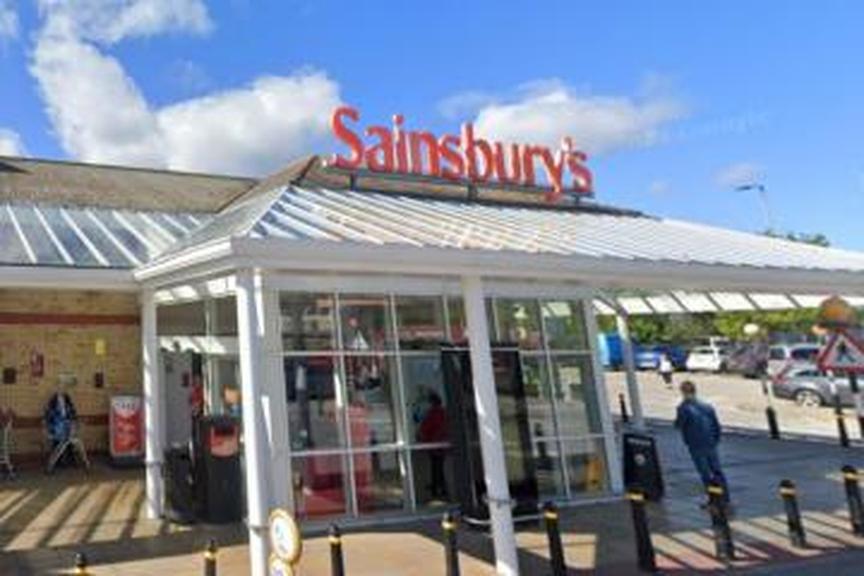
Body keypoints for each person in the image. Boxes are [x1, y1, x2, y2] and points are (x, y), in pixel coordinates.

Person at [674, 380, 730, 506]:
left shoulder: (684, 408)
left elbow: (679, 424)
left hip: (696, 444)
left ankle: (713, 498)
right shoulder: (707, 406)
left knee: (705, 473)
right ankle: (725, 496)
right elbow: (716, 425)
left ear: (683, 392)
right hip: (710, 442)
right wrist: (716, 439)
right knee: (717, 470)